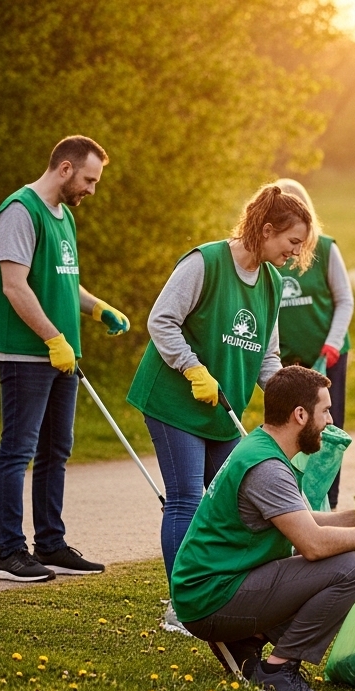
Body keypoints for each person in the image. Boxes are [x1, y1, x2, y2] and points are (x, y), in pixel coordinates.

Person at [127, 183, 314, 634]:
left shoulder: (271, 283)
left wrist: (292, 399)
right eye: (292, 242)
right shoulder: (205, 263)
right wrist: (192, 368)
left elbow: (267, 356)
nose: (295, 253)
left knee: (235, 493)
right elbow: (161, 320)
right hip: (174, 400)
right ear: (266, 230)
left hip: (222, 407)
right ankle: (182, 605)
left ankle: (229, 588)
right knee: (187, 498)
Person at [170, 365, 355, 691]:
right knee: (350, 570)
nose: (330, 421)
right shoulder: (267, 469)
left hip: (216, 588)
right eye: (325, 411)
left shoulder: (262, 448)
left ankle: (246, 639)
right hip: (211, 598)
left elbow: (299, 520)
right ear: (300, 415)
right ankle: (278, 670)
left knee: (334, 574)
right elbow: (312, 544)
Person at [0, 135, 130, 583]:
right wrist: (53, 338)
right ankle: (9, 553)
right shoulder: (20, 211)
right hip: (25, 352)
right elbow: (14, 285)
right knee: (18, 450)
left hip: (60, 353)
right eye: (89, 180)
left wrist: (98, 308)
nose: (92, 190)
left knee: (56, 449)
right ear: (65, 168)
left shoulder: (65, 217)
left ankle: (51, 544)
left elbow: (63, 281)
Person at [273, 178, 354, 509]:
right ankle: (292, 501)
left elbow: (345, 300)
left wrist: (331, 345)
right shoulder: (271, 254)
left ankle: (328, 503)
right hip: (287, 360)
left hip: (327, 355)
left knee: (327, 428)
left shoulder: (325, 248)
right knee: (289, 428)